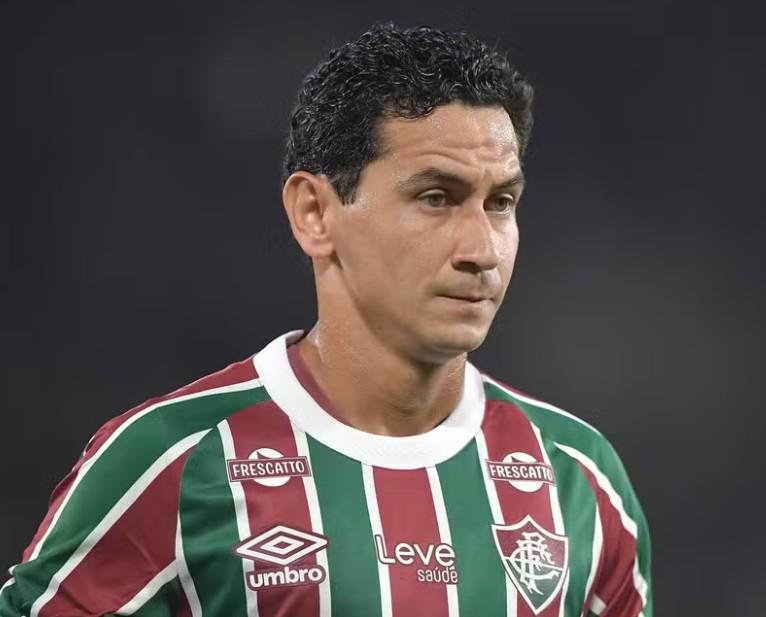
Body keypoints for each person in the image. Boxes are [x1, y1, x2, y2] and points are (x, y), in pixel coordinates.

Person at [0, 22, 652, 617]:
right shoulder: (173, 460)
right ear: (314, 212)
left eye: (500, 202)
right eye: (435, 198)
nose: (481, 249)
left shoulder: (578, 476)